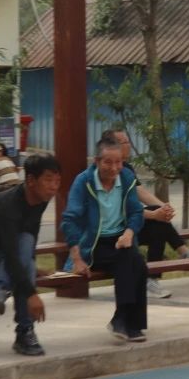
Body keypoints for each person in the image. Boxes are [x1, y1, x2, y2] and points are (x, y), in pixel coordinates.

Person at [62, 137, 149, 343]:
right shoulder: (83, 182)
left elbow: (136, 212)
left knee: (138, 263)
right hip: (93, 245)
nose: (114, 168)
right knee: (128, 259)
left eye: (118, 162)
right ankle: (125, 321)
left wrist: (129, 233)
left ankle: (127, 322)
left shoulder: (127, 177)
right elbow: (69, 220)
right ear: (97, 161)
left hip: (121, 240)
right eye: (108, 162)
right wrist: (76, 259)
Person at [100, 129, 189, 299]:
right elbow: (121, 210)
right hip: (113, 233)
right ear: (112, 146)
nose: (129, 145)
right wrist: (156, 213)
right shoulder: (104, 173)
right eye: (125, 142)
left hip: (130, 228)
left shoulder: (127, 169)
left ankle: (150, 278)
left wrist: (164, 208)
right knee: (156, 217)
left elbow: (141, 193)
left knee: (159, 222)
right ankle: (183, 251)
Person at [0, 153, 62, 356]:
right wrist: (32, 294)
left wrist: (31, 264)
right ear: (31, 180)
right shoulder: (8, 205)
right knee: (24, 259)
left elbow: (30, 238)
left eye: (57, 181)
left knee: (26, 247)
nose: (54, 187)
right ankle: (25, 331)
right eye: (48, 180)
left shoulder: (40, 200)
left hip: (10, 255)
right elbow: (10, 253)